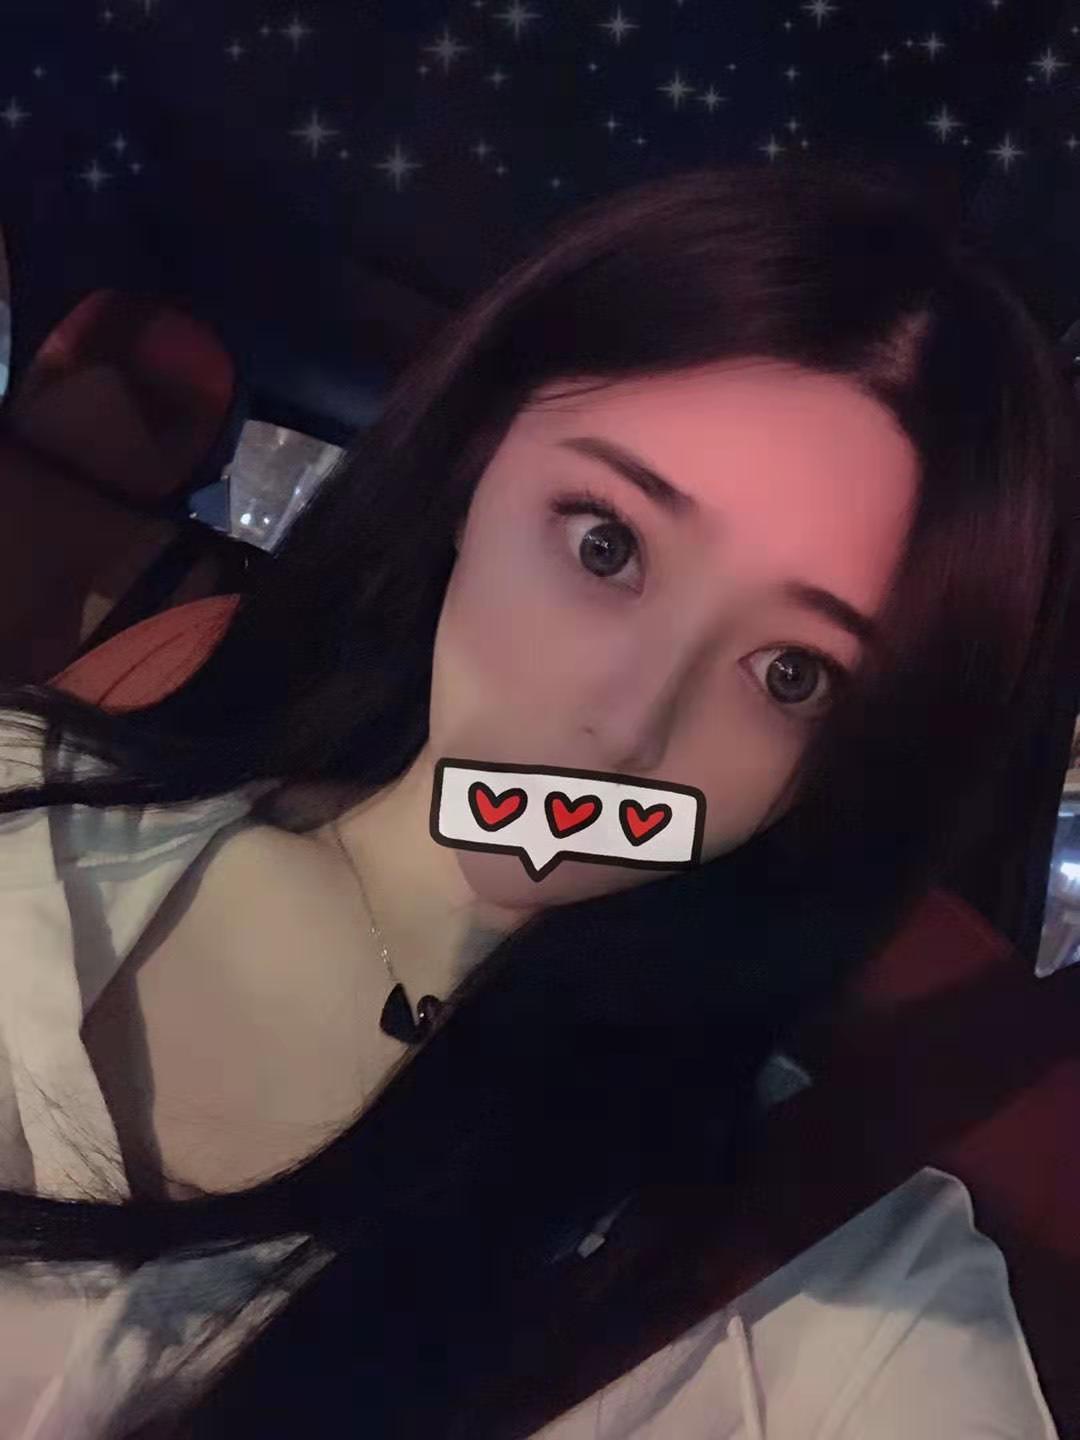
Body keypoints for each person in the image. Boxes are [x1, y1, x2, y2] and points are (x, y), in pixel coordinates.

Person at [0, 157, 1073, 1439]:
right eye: (605, 545)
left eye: (794, 674)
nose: (627, 728)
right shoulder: (27, 787)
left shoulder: (820, 1259)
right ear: (473, 468)